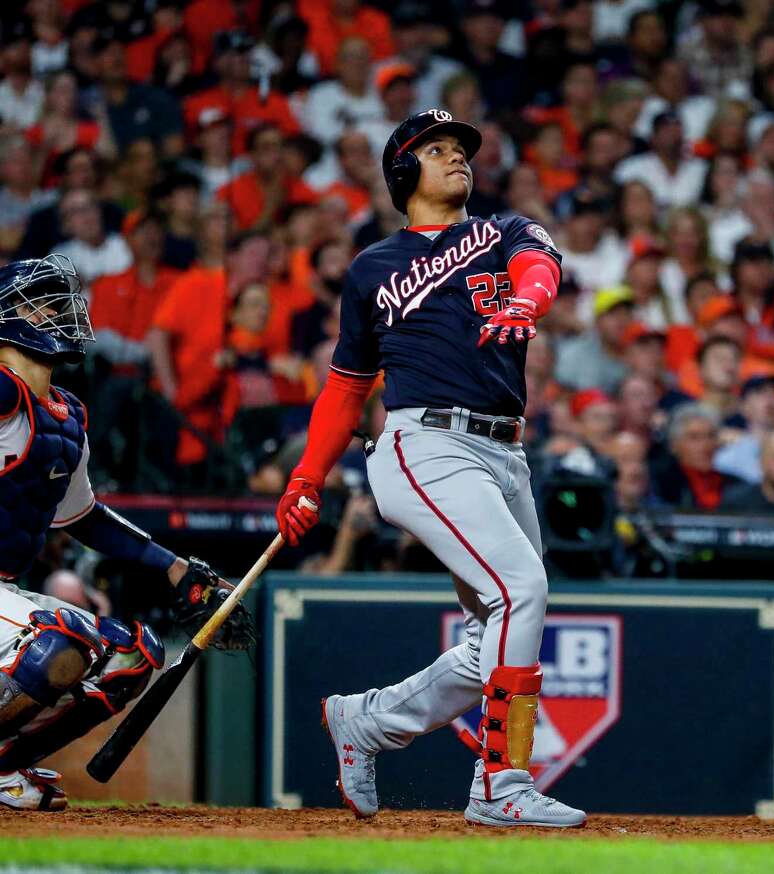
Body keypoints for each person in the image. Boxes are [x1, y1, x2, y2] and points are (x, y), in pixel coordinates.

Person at [274, 109, 585, 828]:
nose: (456, 159)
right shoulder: (372, 267)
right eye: (436, 150)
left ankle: (368, 722)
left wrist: (524, 301)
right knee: (521, 589)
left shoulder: (502, 230)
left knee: (493, 640)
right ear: (403, 172)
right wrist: (306, 477)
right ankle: (501, 786)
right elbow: (348, 385)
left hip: (504, 452)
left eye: (460, 150)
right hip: (426, 445)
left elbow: (542, 268)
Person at [0, 254, 250, 811]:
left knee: (134, 654)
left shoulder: (65, 415)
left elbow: (83, 515)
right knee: (60, 641)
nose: (58, 311)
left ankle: (5, 767)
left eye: (59, 299)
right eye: (39, 302)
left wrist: (176, 567)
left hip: (5, 591)